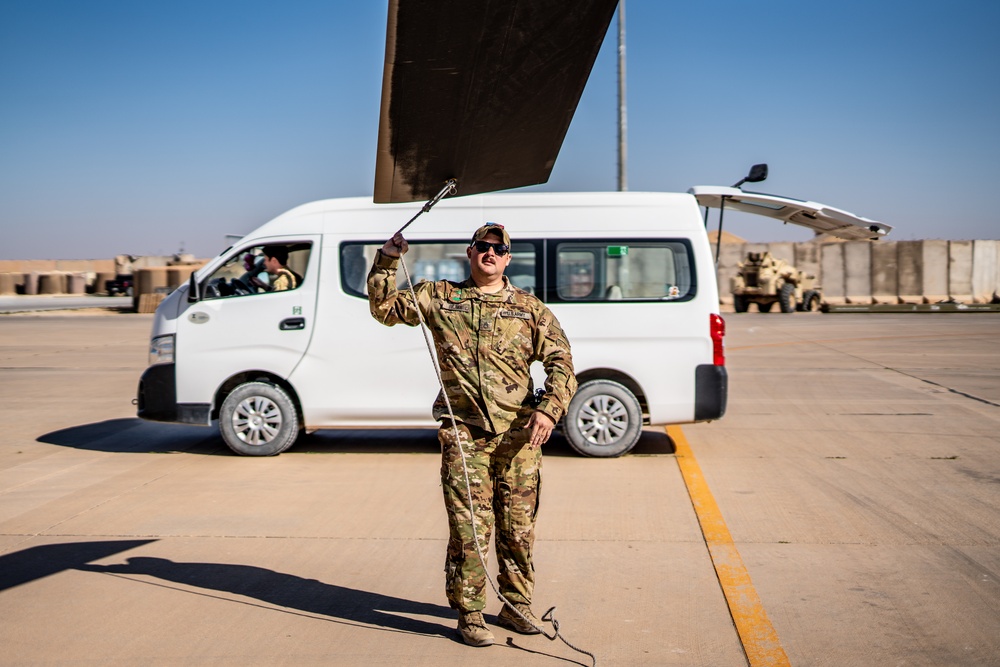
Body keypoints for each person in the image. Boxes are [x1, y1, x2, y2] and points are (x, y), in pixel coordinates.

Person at [367, 222, 577, 647]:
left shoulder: (529, 309)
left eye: (498, 249)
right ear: (470, 251)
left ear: (508, 258)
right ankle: (471, 613)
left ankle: (517, 607)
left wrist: (549, 411)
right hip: (465, 436)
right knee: (470, 530)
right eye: (483, 246)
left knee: (517, 528)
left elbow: (562, 363)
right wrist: (388, 259)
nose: (490, 254)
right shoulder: (441, 297)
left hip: (519, 438)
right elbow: (384, 308)